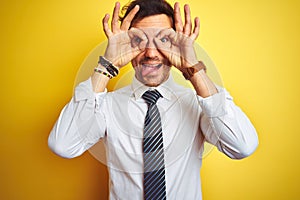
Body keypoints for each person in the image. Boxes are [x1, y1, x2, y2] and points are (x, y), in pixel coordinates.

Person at [48, 0, 259, 199]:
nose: (150, 53)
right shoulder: (106, 105)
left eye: (163, 40)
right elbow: (63, 145)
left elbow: (242, 146)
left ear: (177, 43)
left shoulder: (198, 103)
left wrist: (193, 68)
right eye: (138, 40)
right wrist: (107, 65)